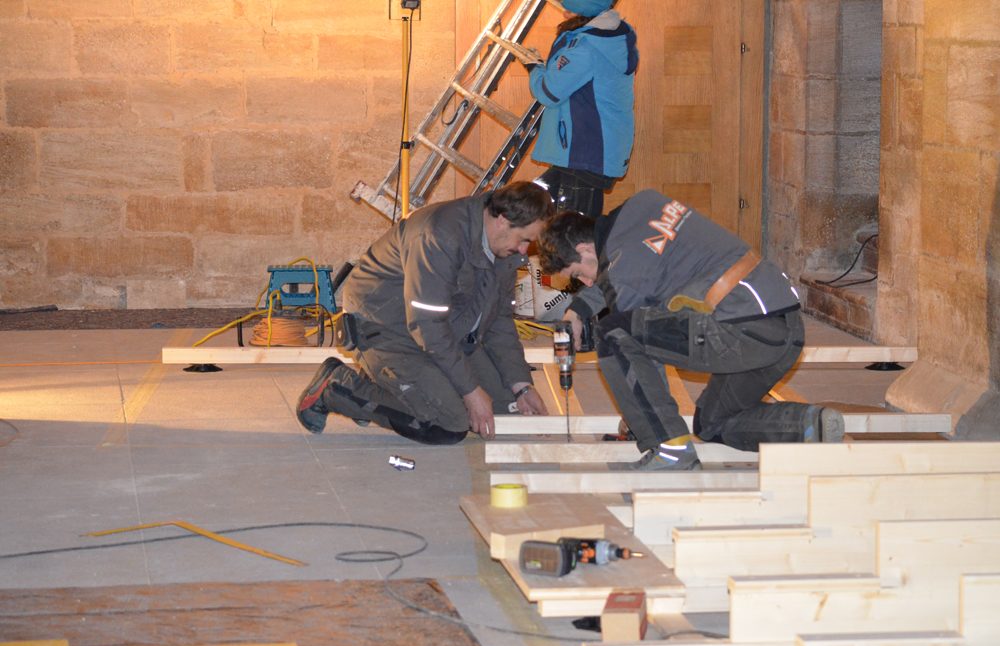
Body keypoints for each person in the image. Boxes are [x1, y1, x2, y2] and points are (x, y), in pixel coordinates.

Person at [535, 189, 845, 470]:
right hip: (786, 330)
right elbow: (626, 269)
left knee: (613, 333)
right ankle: (807, 424)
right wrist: (579, 308)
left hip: (741, 332)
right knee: (710, 423)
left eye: (578, 274)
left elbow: (642, 353)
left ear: (585, 248)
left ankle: (669, 451)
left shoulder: (621, 269)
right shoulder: (644, 203)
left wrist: (645, 421)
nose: (587, 283)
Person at [296, 181, 553, 444]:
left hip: (442, 327)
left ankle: (392, 384)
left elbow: (500, 321)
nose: (524, 250)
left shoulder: (503, 249)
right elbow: (428, 325)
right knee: (449, 422)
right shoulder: (440, 235)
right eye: (524, 239)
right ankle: (337, 386)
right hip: (384, 325)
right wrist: (471, 391)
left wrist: (522, 386)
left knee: (505, 410)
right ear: (503, 220)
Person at [527, 0, 638, 218]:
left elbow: (549, 92)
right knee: (531, 208)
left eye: (569, 6)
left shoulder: (588, 47)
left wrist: (534, 66)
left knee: (573, 231)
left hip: (586, 149)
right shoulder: (608, 36)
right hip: (588, 148)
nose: (563, 11)